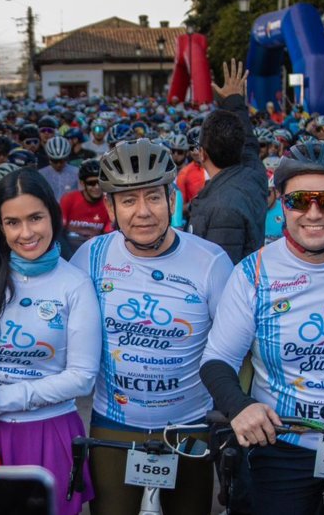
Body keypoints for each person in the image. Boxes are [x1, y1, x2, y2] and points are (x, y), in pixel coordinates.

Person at [201, 141, 324, 515]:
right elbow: (217, 360)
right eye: (299, 201)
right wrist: (240, 407)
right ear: (279, 201)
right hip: (285, 441)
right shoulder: (254, 271)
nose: (314, 213)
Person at [70, 139, 234, 515]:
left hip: (190, 424)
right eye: (128, 201)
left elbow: (233, 349)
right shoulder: (90, 258)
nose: (143, 212)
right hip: (115, 421)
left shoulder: (211, 262)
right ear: (110, 208)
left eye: (154, 198)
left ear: (172, 200)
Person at [0, 169, 100, 515]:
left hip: (50, 433)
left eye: (35, 218)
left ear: (52, 215)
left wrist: (0, 399)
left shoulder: (76, 283)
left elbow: (82, 377)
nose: (26, 233)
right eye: (12, 222)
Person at [187, 60, 269, 265]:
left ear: (202, 154)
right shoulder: (254, 173)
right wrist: (234, 100)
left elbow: (220, 270)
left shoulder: (222, 209)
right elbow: (250, 144)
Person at [59, 159, 110, 254]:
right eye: (91, 183)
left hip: (94, 250)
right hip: (68, 249)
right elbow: (59, 230)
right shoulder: (69, 199)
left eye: (100, 183)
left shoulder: (108, 203)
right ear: (83, 184)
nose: (97, 187)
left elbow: (108, 235)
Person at [39, 136, 79, 203]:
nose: (58, 164)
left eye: (62, 160)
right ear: (49, 158)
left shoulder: (77, 173)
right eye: (55, 161)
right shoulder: (41, 175)